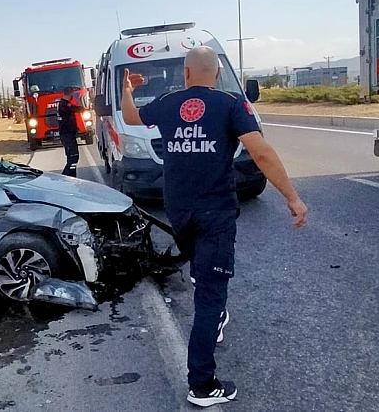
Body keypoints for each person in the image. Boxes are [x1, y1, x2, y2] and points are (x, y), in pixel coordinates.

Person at [121, 46, 308, 408]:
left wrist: (128, 87)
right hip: (214, 215)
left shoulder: (167, 102)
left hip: (178, 214)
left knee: (202, 271)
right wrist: (292, 198)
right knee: (209, 296)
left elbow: (130, 115)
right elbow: (262, 153)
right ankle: (202, 385)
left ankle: (213, 310)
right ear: (218, 73)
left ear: (186, 74)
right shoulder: (230, 105)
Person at [57, 86, 84, 177]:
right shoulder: (65, 105)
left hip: (67, 135)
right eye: (73, 94)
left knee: (72, 157)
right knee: (73, 157)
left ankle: (68, 176)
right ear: (71, 93)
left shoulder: (63, 104)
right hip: (67, 135)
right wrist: (78, 99)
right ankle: (68, 176)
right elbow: (80, 109)